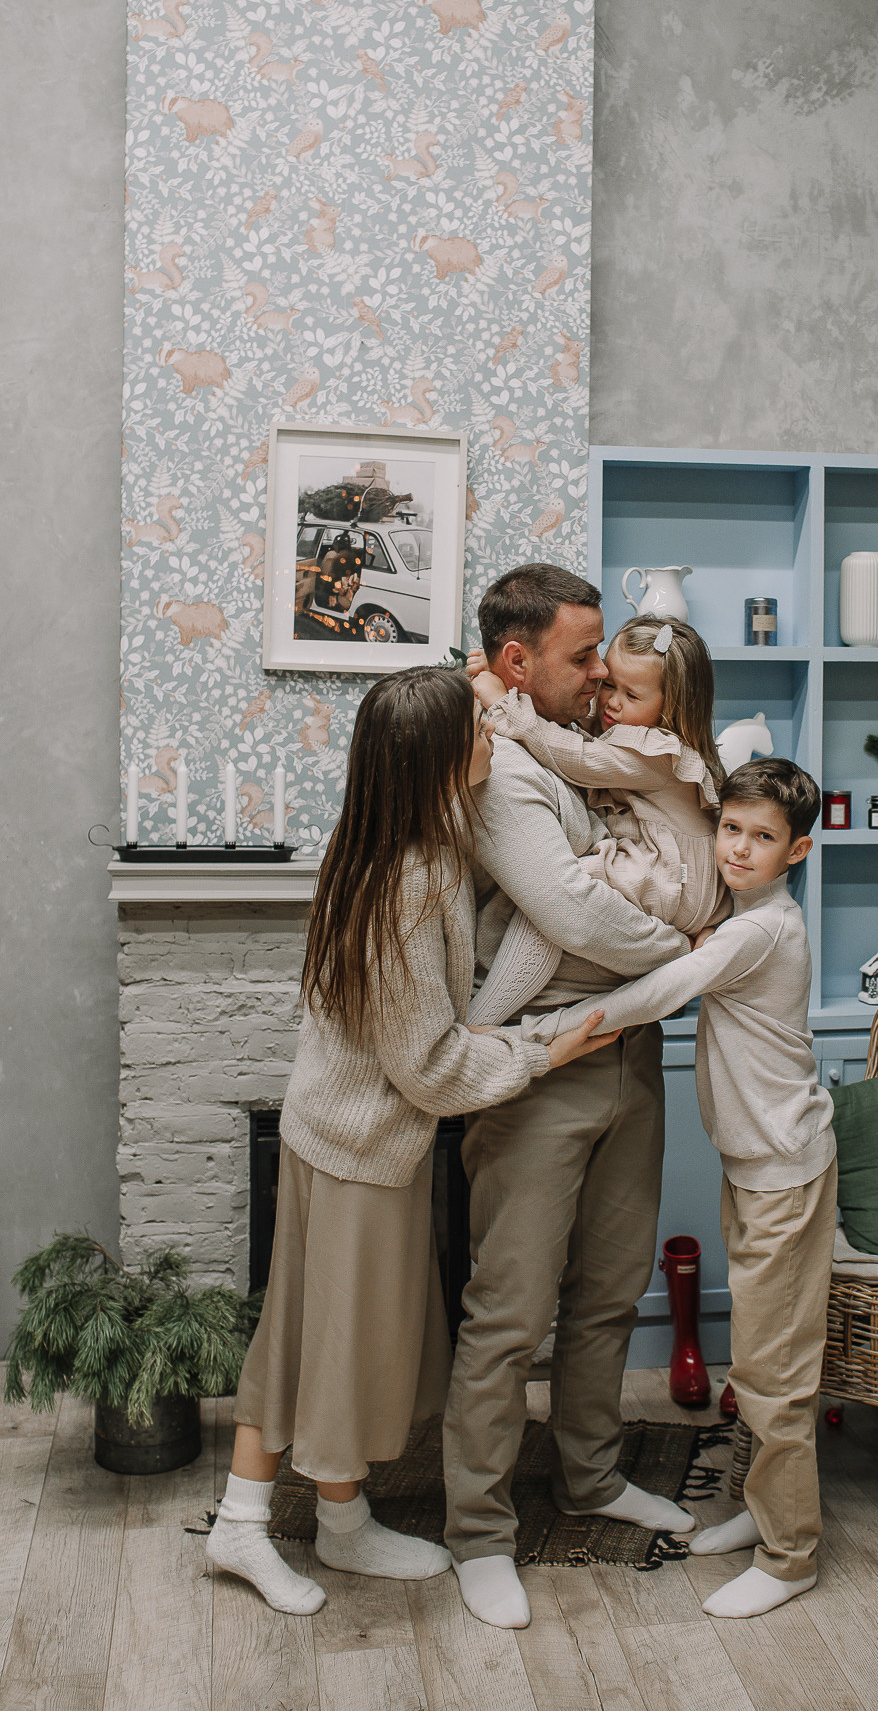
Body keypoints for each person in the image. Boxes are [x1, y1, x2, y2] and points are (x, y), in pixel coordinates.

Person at [206, 667, 617, 1617]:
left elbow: (419, 1030)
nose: (491, 734)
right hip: (359, 1146)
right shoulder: (404, 879)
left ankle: (274, 1520)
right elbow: (427, 1068)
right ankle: (304, 1527)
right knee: (338, 1346)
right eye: (478, 725)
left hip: (336, 1131)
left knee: (304, 1335)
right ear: (437, 759)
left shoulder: (401, 840)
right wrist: (542, 1050)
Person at [441, 565, 700, 1632]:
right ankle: (477, 1532)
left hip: (629, 1055)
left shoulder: (602, 753)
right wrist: (689, 946)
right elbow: (571, 916)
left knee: (606, 1291)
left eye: (602, 654)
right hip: (540, 1068)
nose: (600, 673)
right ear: (516, 663)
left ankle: (590, 1479)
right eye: (581, 655)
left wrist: (661, 968)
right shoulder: (499, 766)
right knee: (506, 1314)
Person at [524, 758, 837, 1620]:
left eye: (762, 838)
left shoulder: (759, 932)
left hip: (784, 1173)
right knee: (759, 1358)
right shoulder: (744, 917)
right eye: (730, 828)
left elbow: (664, 989)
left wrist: (555, 1028)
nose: (738, 847)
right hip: (757, 1166)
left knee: (775, 1373)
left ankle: (790, 1555)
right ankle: (756, 1506)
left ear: (797, 850)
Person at [464, 613, 728, 1028]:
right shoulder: (634, 732)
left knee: (560, 901)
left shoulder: (659, 752)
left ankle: (479, 1023)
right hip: (674, 876)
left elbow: (576, 756)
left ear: (672, 706)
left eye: (631, 695)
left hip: (674, 878)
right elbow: (574, 733)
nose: (611, 702)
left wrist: (502, 702)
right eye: (609, 684)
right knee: (560, 902)